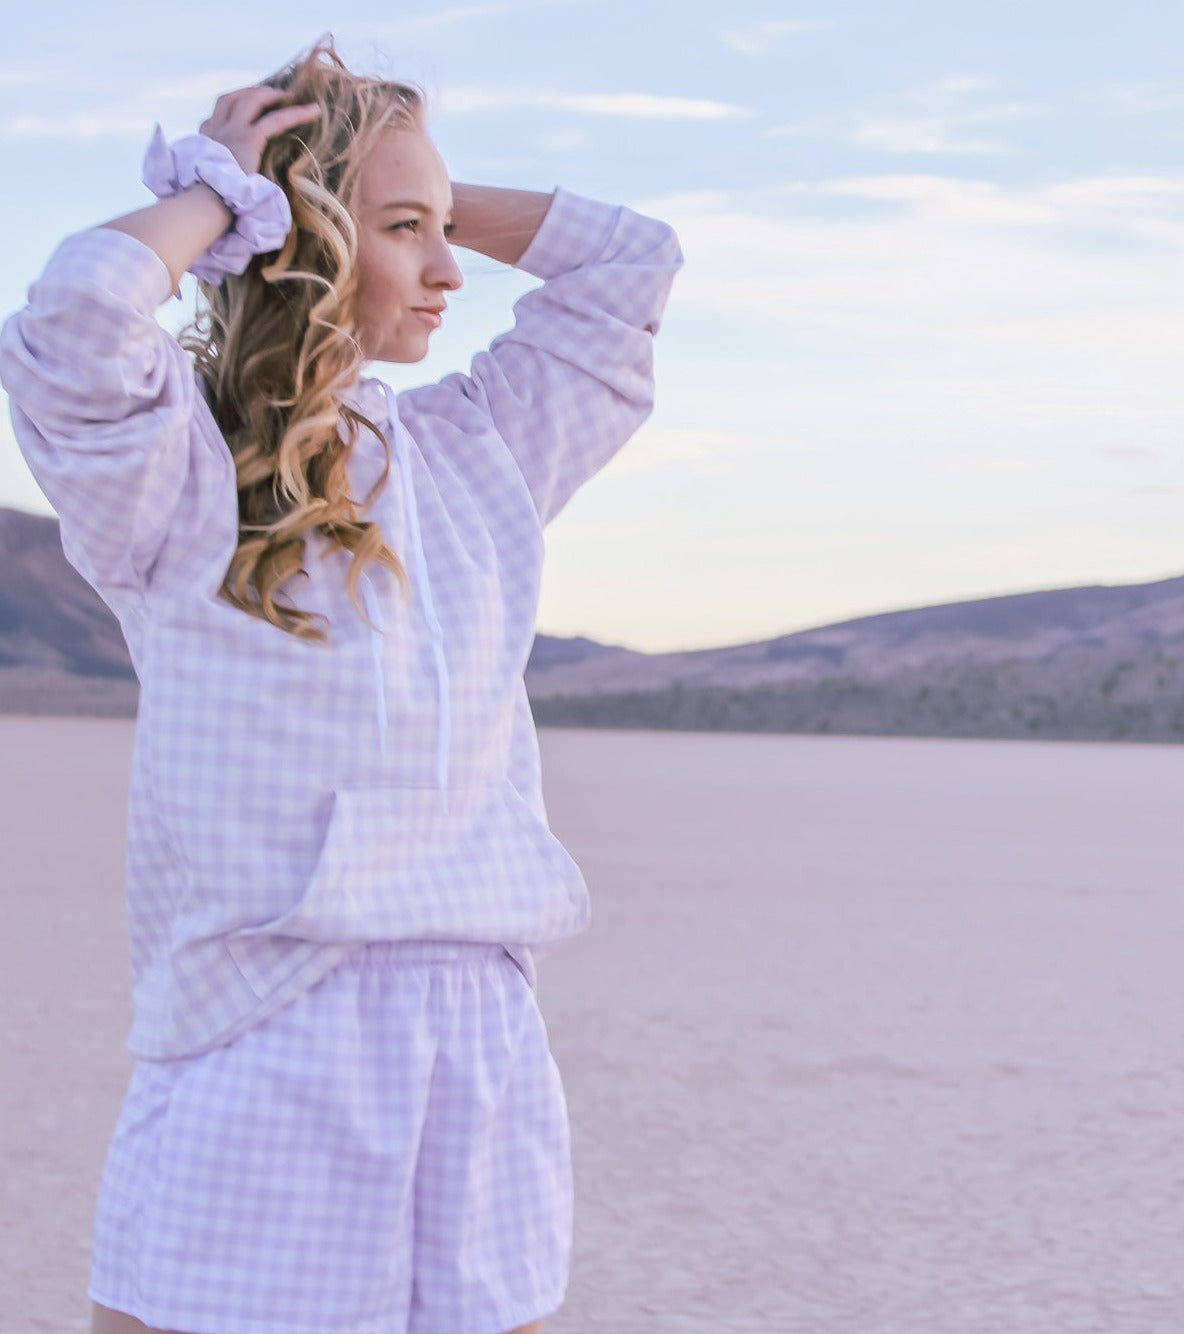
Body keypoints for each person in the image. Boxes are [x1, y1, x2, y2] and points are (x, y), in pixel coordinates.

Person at [0, 36, 682, 1334]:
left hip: (478, 1033)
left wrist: (400, 167)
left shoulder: (481, 452)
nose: (446, 270)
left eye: (446, 231)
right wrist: (232, 187)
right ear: (304, 239)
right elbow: (76, 319)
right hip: (266, 1029)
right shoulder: (179, 481)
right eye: (404, 232)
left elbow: (629, 263)